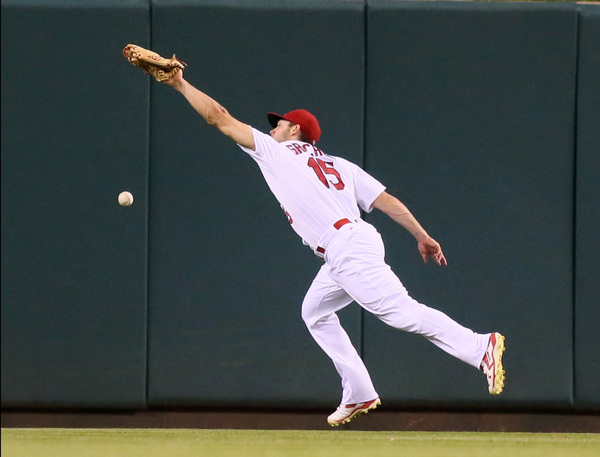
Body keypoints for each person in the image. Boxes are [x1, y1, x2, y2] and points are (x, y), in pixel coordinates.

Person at [163, 69, 505, 426]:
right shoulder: (339, 165)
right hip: (353, 242)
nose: (273, 129)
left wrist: (179, 84)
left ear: (295, 130)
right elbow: (387, 201)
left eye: (279, 124)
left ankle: (479, 346)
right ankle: (359, 391)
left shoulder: (276, 152)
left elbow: (219, 117)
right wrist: (421, 234)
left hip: (345, 248)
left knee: (400, 312)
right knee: (314, 312)